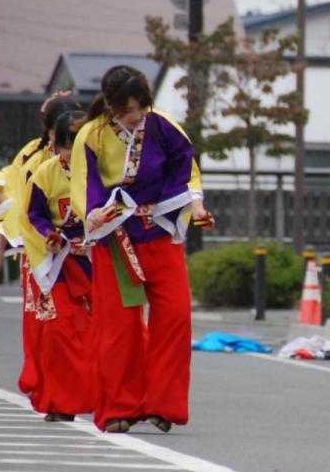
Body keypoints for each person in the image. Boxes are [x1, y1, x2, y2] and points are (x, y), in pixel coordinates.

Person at [71, 65, 197, 434]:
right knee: (118, 327)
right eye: (130, 108)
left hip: (159, 230)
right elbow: (83, 182)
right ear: (111, 105)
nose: (138, 114)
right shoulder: (91, 136)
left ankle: (163, 404)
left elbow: (186, 166)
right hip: (115, 237)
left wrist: (179, 202)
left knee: (175, 316)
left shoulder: (163, 126)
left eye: (143, 105)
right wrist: (94, 212)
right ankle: (119, 407)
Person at [19, 110, 96, 421]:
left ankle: (114, 398)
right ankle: (61, 401)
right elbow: (32, 215)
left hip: (96, 257)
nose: (72, 153)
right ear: (55, 146)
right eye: (66, 145)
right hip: (58, 260)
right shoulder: (45, 174)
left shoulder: (102, 170)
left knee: (107, 329)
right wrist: (52, 235)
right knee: (60, 329)